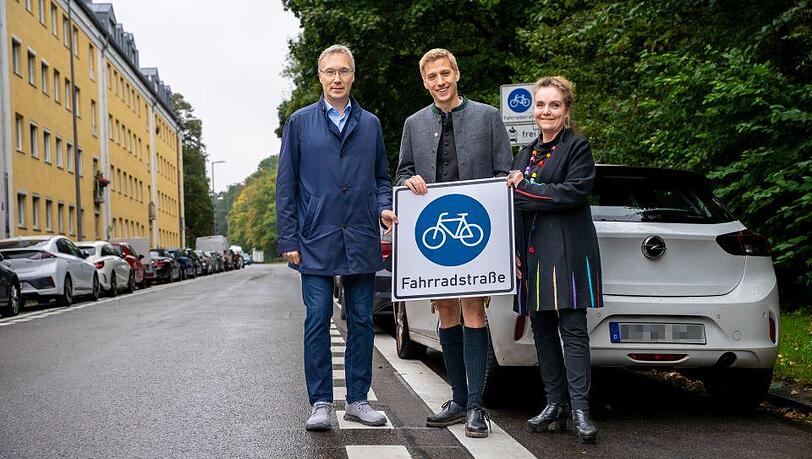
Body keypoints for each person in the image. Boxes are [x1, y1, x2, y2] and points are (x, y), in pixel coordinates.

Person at [276, 44, 397, 432]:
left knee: (362, 319)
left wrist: (383, 206)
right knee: (317, 319)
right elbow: (286, 184)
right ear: (320, 77)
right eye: (330, 71)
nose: (337, 78)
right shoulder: (299, 122)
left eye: (343, 71)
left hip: (360, 234)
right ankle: (321, 403)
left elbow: (381, 177)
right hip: (314, 236)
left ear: (353, 75)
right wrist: (288, 238)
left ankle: (358, 400)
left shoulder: (371, 124)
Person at [396, 48, 512, 438]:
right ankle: (458, 399)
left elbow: (503, 176)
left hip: (477, 233)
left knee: (474, 312)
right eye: (432, 77)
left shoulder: (488, 117)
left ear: (457, 74)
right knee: (446, 312)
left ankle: (478, 408)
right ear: (425, 81)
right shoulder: (413, 124)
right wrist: (408, 182)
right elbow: (403, 173)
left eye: (445, 74)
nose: (440, 82)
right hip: (435, 233)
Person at [506, 76, 602, 444]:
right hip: (531, 255)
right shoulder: (525, 152)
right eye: (541, 105)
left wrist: (527, 190)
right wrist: (512, 254)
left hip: (566, 253)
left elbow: (572, 194)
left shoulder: (577, 147)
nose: (546, 111)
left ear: (566, 110)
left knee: (573, 333)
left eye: (554, 105)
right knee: (542, 332)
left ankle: (581, 410)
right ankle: (554, 404)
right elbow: (514, 208)